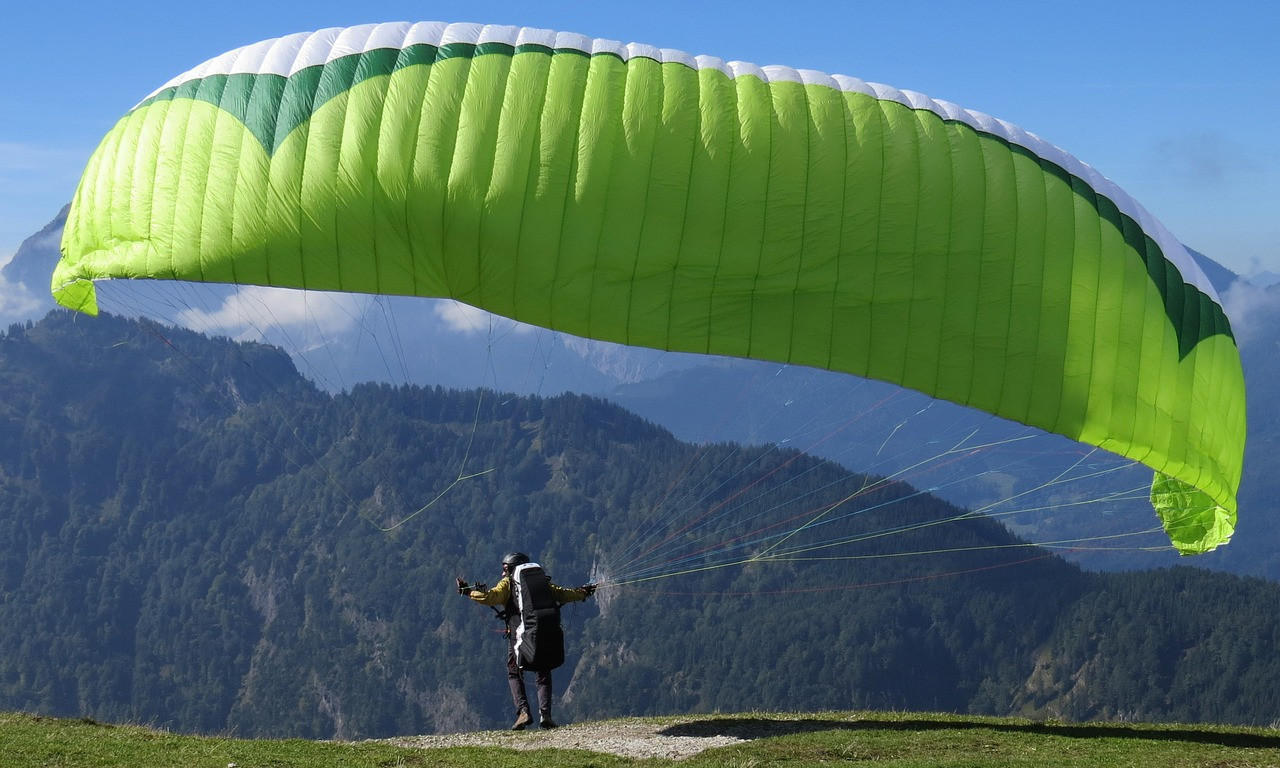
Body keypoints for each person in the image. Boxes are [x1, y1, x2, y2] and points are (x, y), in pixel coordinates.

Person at [458, 552, 596, 730]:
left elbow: (491, 597)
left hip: (520, 636)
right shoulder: (541, 582)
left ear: (512, 568)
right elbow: (563, 594)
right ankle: (545, 714)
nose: (503, 573)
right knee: (543, 672)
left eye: (505, 569)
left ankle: (523, 712)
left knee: (514, 672)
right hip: (545, 633)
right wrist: (583, 592)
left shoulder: (509, 583)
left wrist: (468, 591)